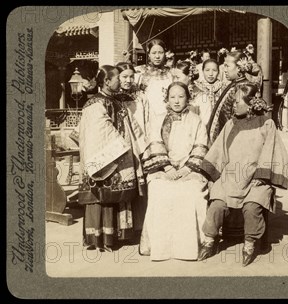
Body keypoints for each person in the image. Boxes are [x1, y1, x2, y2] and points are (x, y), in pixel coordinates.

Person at [198, 83, 288, 267]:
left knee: (252, 207)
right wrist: (211, 176)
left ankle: (250, 244)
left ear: (251, 104)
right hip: (230, 177)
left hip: (257, 178)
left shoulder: (267, 124)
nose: (233, 105)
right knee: (217, 204)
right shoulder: (231, 124)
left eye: (237, 101)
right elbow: (219, 151)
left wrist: (261, 177)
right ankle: (209, 240)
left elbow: (271, 152)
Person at [138, 82, 209, 261]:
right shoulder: (158, 119)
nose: (177, 101)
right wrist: (168, 167)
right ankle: (160, 247)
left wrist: (186, 169)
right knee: (160, 192)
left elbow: (201, 146)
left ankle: (190, 248)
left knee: (193, 193)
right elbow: (154, 142)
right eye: (172, 97)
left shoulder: (196, 119)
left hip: (189, 169)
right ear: (167, 99)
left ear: (188, 98)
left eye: (181, 96)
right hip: (163, 169)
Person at [77, 65, 145, 251]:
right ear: (107, 81)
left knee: (113, 196)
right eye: (117, 79)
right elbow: (97, 131)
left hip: (119, 156)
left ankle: (113, 237)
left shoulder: (115, 100)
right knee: (100, 196)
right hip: (105, 156)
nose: (120, 82)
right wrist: (120, 144)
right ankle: (97, 239)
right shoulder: (95, 103)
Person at [114, 62, 151, 233]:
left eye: (131, 76)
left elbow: (147, 121)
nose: (128, 80)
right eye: (124, 76)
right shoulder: (112, 98)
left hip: (139, 145)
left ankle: (140, 226)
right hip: (118, 147)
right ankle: (120, 229)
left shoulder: (140, 97)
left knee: (139, 186)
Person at [205, 50, 253, 147]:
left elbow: (240, 122)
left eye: (227, 66)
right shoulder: (234, 84)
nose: (224, 70)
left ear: (239, 68)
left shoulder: (244, 88)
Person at [135, 39, 174, 123]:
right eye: (154, 53)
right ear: (148, 54)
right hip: (147, 116)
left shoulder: (172, 74)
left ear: (165, 53)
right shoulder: (140, 72)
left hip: (167, 116)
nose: (157, 56)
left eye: (160, 52)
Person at [190, 59, 223, 132]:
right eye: (207, 70)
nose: (211, 74)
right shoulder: (196, 88)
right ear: (202, 71)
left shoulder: (224, 88)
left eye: (214, 70)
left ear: (218, 72)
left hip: (220, 127)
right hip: (200, 127)